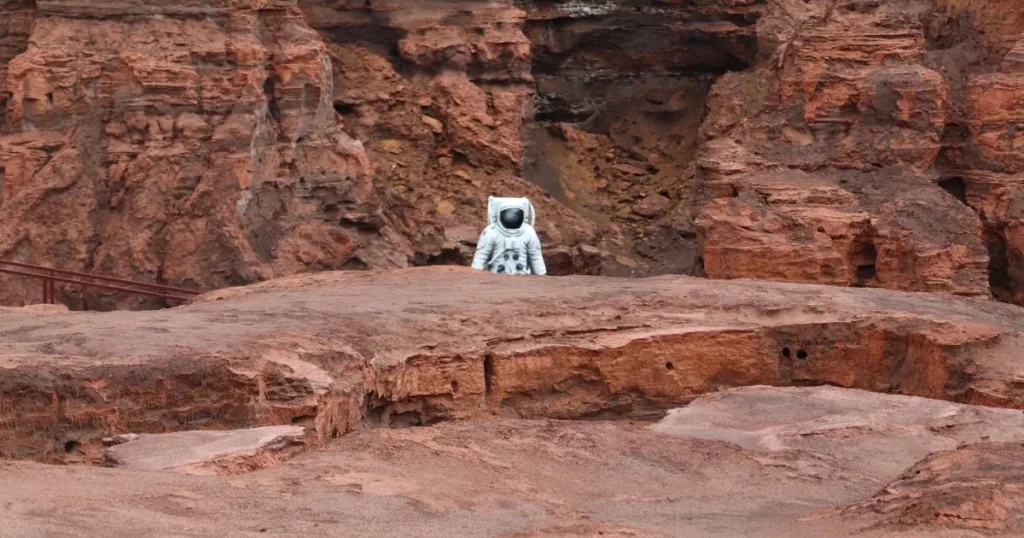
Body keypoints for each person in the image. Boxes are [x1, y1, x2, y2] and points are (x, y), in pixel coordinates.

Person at [471, 196, 547, 275]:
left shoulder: (528, 232)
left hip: (522, 277)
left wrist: (542, 275)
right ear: (499, 214)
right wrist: (475, 275)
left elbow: (536, 257)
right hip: (496, 277)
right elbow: (481, 257)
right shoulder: (491, 232)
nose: (512, 217)